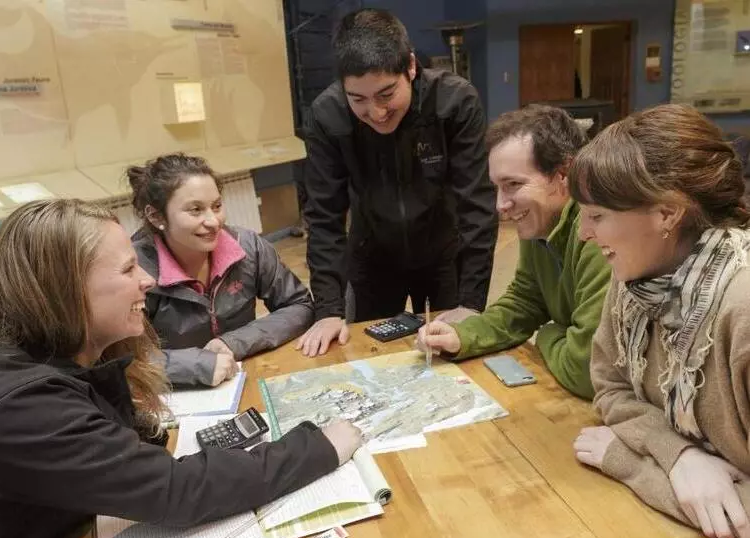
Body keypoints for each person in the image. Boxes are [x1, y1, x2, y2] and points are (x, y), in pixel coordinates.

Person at [0, 199, 362, 538]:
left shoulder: (56, 353)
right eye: (126, 270)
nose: (148, 281)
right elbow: (177, 491)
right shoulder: (22, 406)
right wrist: (319, 447)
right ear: (63, 291)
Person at [569, 104, 750, 538]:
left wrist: (630, 463)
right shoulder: (637, 273)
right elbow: (610, 386)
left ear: (667, 214)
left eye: (597, 215)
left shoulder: (741, 310)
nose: (582, 234)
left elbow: (739, 516)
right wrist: (680, 454)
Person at [296, 8, 498, 357]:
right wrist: (328, 309)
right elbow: (324, 217)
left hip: (444, 253)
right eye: (357, 99)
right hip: (372, 256)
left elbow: (477, 207)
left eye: (386, 94)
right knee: (370, 355)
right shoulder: (327, 115)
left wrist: (471, 302)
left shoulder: (454, 101)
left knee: (452, 352)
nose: (376, 112)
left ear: (411, 66)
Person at [416, 105, 610, 399]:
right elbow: (525, 301)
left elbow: (586, 370)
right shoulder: (542, 221)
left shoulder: (600, 236)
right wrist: (463, 336)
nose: (500, 204)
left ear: (564, 175)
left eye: (513, 185)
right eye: (496, 187)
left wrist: (547, 332)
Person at [127, 153, 314, 387]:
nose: (214, 221)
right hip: (174, 396)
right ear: (156, 216)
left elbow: (299, 306)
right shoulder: (133, 272)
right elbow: (125, 357)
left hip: (241, 379)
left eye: (216, 206)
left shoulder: (248, 246)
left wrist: (233, 343)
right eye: (195, 210)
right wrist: (199, 364)